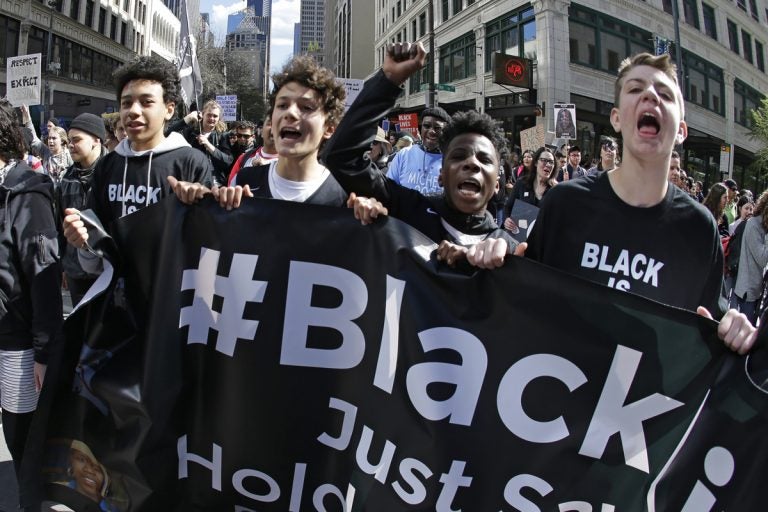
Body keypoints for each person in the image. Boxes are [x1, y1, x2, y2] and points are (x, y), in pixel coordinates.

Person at [522, 52, 755, 353]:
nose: (650, 96)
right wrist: (488, 256)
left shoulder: (699, 230)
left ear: (681, 131)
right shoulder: (565, 203)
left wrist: (734, 329)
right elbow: (520, 298)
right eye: (635, 89)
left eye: (664, 94)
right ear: (616, 119)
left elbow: (709, 330)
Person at [320, 42, 519, 269]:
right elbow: (340, 157)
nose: (471, 163)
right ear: (441, 176)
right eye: (458, 156)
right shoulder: (406, 209)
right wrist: (387, 81)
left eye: (484, 160)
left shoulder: (509, 250)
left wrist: (509, 252)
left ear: (497, 184)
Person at [62, 55, 213, 273]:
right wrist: (82, 243)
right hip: (115, 299)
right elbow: (94, 258)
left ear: (169, 109)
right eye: (126, 103)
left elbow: (206, 248)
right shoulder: (107, 166)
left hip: (170, 298)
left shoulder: (191, 162)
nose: (133, 110)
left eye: (146, 102)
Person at [171, 54, 348, 209]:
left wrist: (371, 217)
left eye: (306, 107)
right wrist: (204, 203)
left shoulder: (344, 196)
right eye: (282, 105)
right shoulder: (243, 182)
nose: (290, 113)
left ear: (329, 128)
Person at [0, 99, 63, 510]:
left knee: (23, 440)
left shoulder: (28, 194)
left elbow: (44, 278)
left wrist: (44, 351)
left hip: (19, 345)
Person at [57, 113, 109, 305]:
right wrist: (64, 265)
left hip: (107, 270)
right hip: (75, 271)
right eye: (69, 140)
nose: (70, 145)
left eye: (76, 140)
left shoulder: (113, 172)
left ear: (96, 140)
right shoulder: (67, 178)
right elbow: (60, 226)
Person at [386, 105, 451, 196]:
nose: (431, 131)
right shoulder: (404, 155)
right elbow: (389, 191)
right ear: (421, 129)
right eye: (426, 126)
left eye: (437, 128)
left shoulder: (451, 161)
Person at [167, 99, 232, 186]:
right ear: (203, 114)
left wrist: (208, 145)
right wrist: (187, 118)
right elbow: (168, 134)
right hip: (192, 180)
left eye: (215, 116)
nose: (212, 118)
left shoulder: (222, 136)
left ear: (219, 118)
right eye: (209, 115)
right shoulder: (191, 132)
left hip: (215, 183)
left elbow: (228, 161)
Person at [733, 190, 768, 324]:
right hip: (748, 291)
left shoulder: (763, 226)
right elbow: (763, 259)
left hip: (757, 289)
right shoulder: (754, 225)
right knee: (746, 331)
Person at [503, 146, 556, 232]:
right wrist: (507, 219)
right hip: (521, 239)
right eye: (544, 160)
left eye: (551, 162)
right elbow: (508, 207)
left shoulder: (556, 190)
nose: (548, 164)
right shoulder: (521, 183)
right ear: (535, 163)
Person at [20, 105, 73, 184]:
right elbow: (34, 139)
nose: (50, 141)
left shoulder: (70, 156)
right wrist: (28, 118)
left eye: (54, 138)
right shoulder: (46, 152)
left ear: (62, 141)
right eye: (49, 138)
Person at [64, 440, 119, 511]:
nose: (89, 470)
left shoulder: (112, 509)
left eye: (98, 467)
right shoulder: (56, 492)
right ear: (71, 461)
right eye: (81, 459)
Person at [227, 110, 278, 185]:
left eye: (278, 125)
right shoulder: (244, 158)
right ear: (261, 131)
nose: (273, 129)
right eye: (269, 124)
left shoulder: (295, 163)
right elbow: (231, 188)